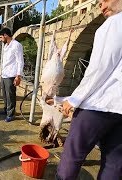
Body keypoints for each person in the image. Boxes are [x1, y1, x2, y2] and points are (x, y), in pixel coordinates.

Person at [56, 0, 122, 179]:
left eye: (105, 0)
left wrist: (74, 99)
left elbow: (99, 68)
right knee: (114, 163)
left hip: (99, 106)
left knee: (73, 154)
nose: (101, 5)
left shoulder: (114, 23)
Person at [0, 28, 24, 122]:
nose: (0, 40)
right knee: (5, 95)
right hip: (4, 74)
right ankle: (6, 110)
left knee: (10, 95)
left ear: (5, 35)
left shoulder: (16, 45)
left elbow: (20, 61)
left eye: (1, 37)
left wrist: (18, 76)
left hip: (11, 74)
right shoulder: (6, 46)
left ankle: (11, 114)